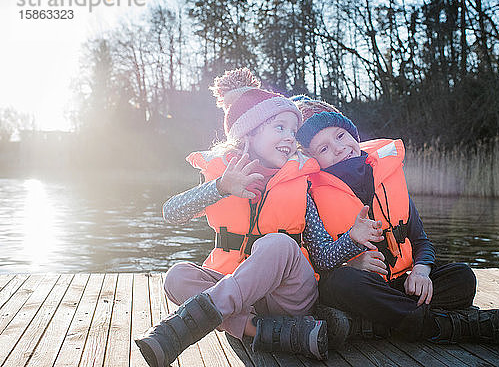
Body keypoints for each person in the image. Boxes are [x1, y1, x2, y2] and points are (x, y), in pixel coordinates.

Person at [134, 69, 368, 366]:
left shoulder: (298, 184)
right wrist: (220, 188)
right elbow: (172, 213)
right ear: (250, 132)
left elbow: (321, 256)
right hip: (246, 300)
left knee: (278, 244)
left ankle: (183, 326)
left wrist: (353, 241)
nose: (289, 139)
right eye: (279, 127)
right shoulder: (223, 178)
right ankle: (260, 330)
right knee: (177, 276)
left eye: (292, 131)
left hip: (288, 298)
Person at [293, 98, 499, 346]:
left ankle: (372, 324)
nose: (338, 148)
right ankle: (443, 326)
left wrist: (421, 270)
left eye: (340, 136)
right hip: (359, 284)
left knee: (463, 278)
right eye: (324, 149)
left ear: (353, 134)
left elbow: (421, 240)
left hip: (399, 285)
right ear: (313, 159)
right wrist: (352, 259)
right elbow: (320, 259)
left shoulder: (386, 175)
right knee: (340, 284)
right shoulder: (310, 193)